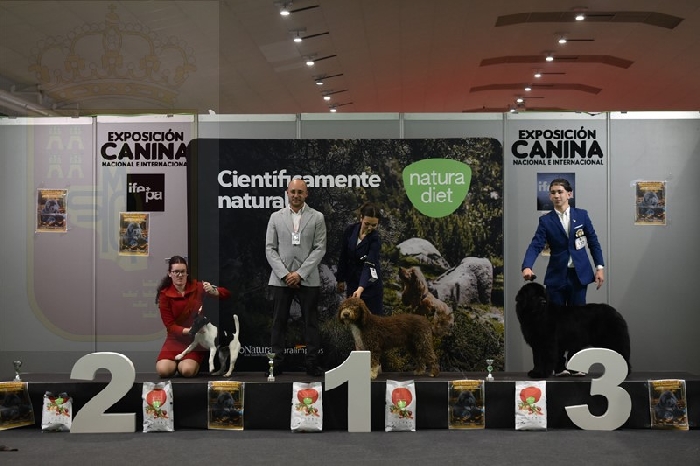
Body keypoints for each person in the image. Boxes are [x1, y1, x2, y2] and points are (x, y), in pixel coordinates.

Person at [265, 178, 327, 376]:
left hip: (308, 278)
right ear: (287, 193)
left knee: (311, 324)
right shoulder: (276, 217)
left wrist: (300, 274)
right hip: (280, 279)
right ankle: (276, 364)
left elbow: (320, 248)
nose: (296, 195)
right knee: (278, 323)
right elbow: (270, 249)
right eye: (293, 191)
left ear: (306, 194)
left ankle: (312, 364)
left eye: (300, 192)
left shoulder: (317, 217)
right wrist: (285, 275)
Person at [521, 178, 605, 306]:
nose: (556, 195)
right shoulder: (545, 221)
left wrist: (599, 268)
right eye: (553, 192)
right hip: (556, 276)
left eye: (560, 192)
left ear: (569, 194)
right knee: (555, 316)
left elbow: (593, 242)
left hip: (579, 276)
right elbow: (535, 245)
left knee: (577, 316)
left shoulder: (582, 215)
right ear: (550, 196)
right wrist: (527, 266)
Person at [155, 255, 230, 378]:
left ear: (187, 273)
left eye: (183, 271)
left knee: (187, 371)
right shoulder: (164, 295)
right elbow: (170, 326)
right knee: (163, 371)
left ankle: (185, 364)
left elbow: (226, 294)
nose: (180, 275)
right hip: (175, 339)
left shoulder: (198, 287)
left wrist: (214, 291)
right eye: (176, 272)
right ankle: (176, 364)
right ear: (169, 273)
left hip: (196, 340)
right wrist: (190, 330)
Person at [336, 202, 384, 315]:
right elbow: (344, 256)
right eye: (367, 224)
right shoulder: (350, 231)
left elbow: (369, 265)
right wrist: (340, 279)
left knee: (373, 321)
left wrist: (361, 288)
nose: (370, 228)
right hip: (352, 282)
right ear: (361, 218)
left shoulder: (375, 240)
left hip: (370, 284)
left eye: (374, 225)